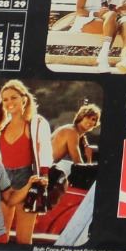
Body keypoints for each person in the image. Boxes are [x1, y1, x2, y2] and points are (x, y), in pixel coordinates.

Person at [0, 80, 53, 245]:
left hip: (27, 179)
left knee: (23, 239)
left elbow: (45, 149)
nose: (9, 102)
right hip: (4, 180)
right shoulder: (0, 126)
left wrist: (44, 175)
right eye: (5, 99)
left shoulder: (36, 123)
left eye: (13, 97)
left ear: (24, 98)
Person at [35, 103, 101, 240]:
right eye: (88, 117)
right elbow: (78, 164)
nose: (91, 122)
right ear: (81, 116)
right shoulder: (71, 132)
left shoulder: (78, 134)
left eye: (94, 120)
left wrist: (89, 155)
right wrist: (90, 160)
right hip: (41, 170)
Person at [70, 0, 122, 71]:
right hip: (86, 20)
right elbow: (79, 10)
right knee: (116, 27)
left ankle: (103, 58)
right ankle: (103, 58)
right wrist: (96, 14)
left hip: (103, 19)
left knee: (112, 15)